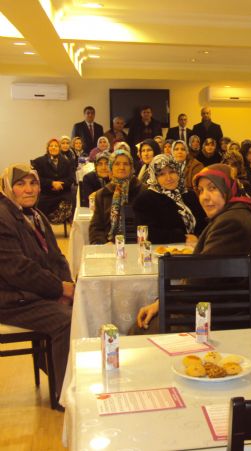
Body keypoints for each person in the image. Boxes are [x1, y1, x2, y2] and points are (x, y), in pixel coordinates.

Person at [134, 164, 251, 331]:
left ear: (228, 188)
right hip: (227, 311)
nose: (204, 197)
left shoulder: (231, 223)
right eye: (201, 190)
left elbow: (200, 280)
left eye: (212, 188)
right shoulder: (236, 213)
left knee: (141, 328)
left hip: (226, 321)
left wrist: (162, 303)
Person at [0, 163, 73, 402]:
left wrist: (67, 285)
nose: (29, 189)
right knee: (66, 320)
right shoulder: (3, 218)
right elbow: (19, 270)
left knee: (84, 305)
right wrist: (59, 289)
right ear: (7, 187)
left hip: (34, 292)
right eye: (20, 184)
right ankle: (64, 394)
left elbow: (57, 257)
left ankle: (68, 374)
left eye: (33, 183)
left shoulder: (35, 215)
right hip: (11, 299)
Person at [133, 154, 204, 245]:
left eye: (172, 172)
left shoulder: (189, 195)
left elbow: (203, 224)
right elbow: (148, 233)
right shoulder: (145, 199)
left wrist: (198, 237)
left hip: (196, 247)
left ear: (178, 172)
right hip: (162, 250)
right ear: (154, 177)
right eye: (161, 174)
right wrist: (182, 237)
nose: (168, 178)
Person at [88, 149, 145, 244]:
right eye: (117, 164)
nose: (122, 167)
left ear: (131, 167)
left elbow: (149, 224)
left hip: (138, 244)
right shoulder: (102, 194)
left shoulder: (143, 191)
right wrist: (103, 244)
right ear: (111, 167)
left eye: (126, 164)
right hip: (109, 245)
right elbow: (96, 227)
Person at [31, 138, 74, 224]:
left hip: (62, 192)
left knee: (71, 200)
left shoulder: (67, 162)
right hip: (46, 192)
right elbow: (37, 179)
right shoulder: (38, 161)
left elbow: (71, 179)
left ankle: (59, 219)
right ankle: (46, 222)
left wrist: (60, 185)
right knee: (41, 204)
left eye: (56, 146)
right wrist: (52, 183)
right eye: (51, 146)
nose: (53, 148)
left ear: (59, 148)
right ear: (47, 148)